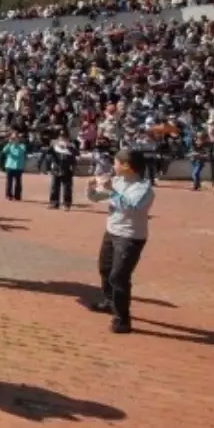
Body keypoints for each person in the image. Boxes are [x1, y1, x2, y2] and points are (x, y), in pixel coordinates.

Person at [86, 150, 155, 334]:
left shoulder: (143, 187)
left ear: (126, 166)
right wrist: (92, 187)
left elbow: (132, 206)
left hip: (130, 236)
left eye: (115, 163)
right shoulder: (117, 182)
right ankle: (109, 301)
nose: (112, 167)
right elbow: (95, 198)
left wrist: (111, 190)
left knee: (119, 276)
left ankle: (122, 318)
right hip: (112, 232)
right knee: (105, 269)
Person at [47, 132, 78, 210]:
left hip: (67, 169)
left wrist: (68, 147)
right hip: (56, 169)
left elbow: (76, 155)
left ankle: (67, 204)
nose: (63, 139)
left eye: (64, 137)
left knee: (67, 188)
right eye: (61, 137)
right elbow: (48, 152)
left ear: (67, 138)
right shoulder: (55, 146)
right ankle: (54, 203)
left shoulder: (71, 147)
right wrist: (53, 145)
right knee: (54, 187)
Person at [1, 132, 27, 201]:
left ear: (18, 138)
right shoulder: (9, 145)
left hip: (18, 167)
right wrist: (9, 143)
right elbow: (4, 151)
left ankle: (17, 196)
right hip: (9, 166)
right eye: (13, 138)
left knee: (18, 183)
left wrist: (16, 144)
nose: (14, 139)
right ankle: (8, 195)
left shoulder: (22, 146)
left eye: (15, 138)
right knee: (9, 182)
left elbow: (19, 153)